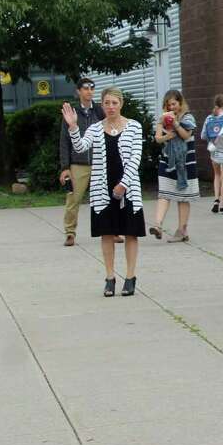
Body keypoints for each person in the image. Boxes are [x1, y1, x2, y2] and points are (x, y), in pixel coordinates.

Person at [61, 88, 145, 296]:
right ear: (102, 104)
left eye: (114, 103)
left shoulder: (134, 127)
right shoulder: (95, 128)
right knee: (106, 233)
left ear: (121, 104)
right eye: (107, 103)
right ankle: (109, 277)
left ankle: (130, 276)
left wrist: (124, 184)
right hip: (102, 190)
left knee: (130, 233)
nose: (110, 107)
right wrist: (73, 127)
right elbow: (80, 147)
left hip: (128, 190)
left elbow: (135, 159)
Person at [59, 77, 105, 246]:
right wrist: (65, 167)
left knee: (104, 198)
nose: (89, 91)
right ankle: (70, 233)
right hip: (78, 164)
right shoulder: (72, 112)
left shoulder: (100, 111)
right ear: (78, 91)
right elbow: (64, 141)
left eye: (92, 88)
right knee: (73, 199)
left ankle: (110, 230)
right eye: (85, 88)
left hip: (99, 162)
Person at [149, 89, 200, 242]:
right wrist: (166, 134)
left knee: (183, 197)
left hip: (185, 163)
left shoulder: (188, 118)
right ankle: (157, 225)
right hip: (167, 162)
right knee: (163, 193)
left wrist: (176, 124)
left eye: (174, 104)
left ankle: (182, 230)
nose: (171, 107)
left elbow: (186, 135)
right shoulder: (162, 119)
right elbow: (157, 138)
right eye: (168, 105)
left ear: (180, 103)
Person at [203, 95, 223, 214]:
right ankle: (222, 206)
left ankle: (216, 200)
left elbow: (203, 135)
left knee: (217, 175)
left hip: (213, 149)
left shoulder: (209, 118)